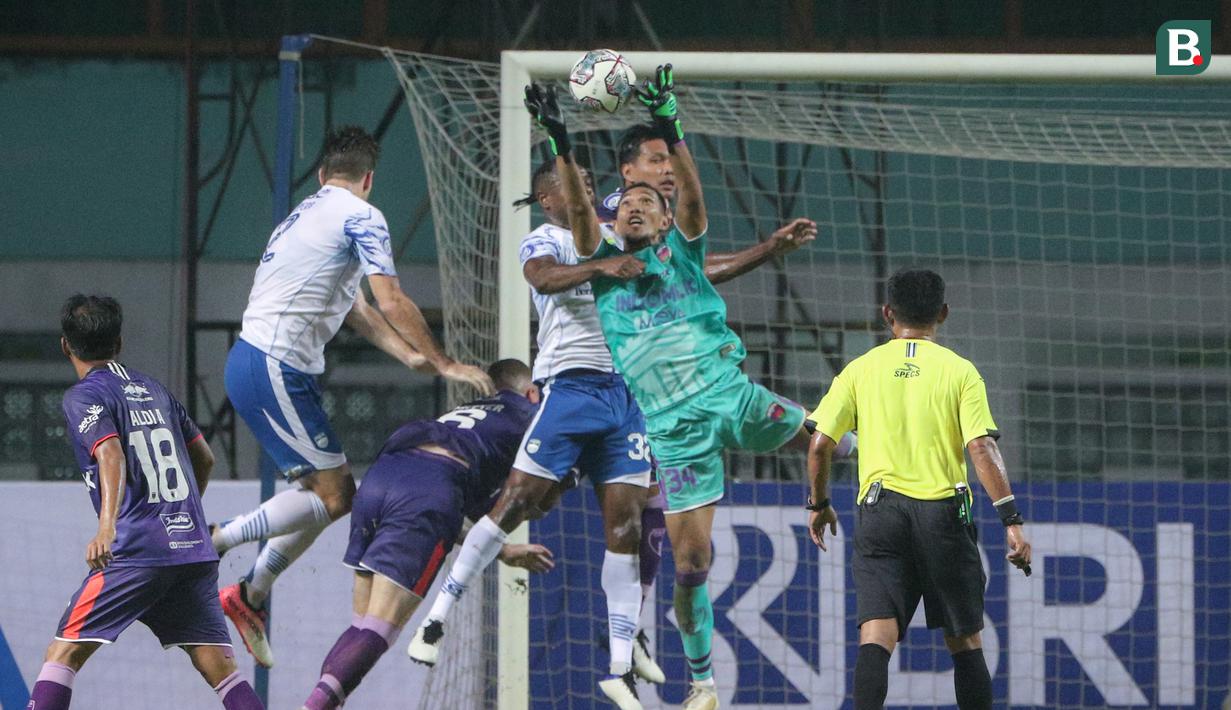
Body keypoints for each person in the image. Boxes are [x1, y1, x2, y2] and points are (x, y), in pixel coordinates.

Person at [522, 67, 833, 710]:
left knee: (826, 436)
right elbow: (580, 211)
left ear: (666, 222)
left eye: (648, 202)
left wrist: (671, 123)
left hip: (728, 395)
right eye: (627, 202)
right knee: (691, 566)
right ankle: (703, 684)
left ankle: (878, 455)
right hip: (672, 429)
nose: (634, 206)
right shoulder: (605, 266)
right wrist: (559, 136)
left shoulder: (684, 252)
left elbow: (691, 197)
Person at [212, 126, 493, 668]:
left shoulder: (303, 215)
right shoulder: (362, 215)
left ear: (322, 174)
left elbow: (357, 307)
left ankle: (250, 594)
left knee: (327, 496)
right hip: (273, 366)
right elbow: (391, 298)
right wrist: (443, 362)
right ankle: (217, 542)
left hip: (262, 365)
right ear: (369, 179)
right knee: (337, 497)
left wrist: (405, 353)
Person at [805, 269, 1032, 710]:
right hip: (943, 516)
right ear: (943, 313)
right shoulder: (960, 371)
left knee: (876, 635)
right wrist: (1012, 521)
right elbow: (981, 447)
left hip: (881, 514)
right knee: (965, 640)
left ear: (887, 313)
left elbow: (818, 446)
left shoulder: (860, 370)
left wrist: (819, 503)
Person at [29, 295, 263, 710]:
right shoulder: (155, 389)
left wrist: (107, 528)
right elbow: (205, 458)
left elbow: (110, 453)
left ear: (66, 346)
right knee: (220, 668)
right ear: (119, 343)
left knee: (63, 653)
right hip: (191, 550)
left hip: (136, 551)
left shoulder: (84, 396)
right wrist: (178, 517)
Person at [300, 359, 553, 710]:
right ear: (531, 393)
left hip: (380, 477)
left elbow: (455, 515)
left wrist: (504, 551)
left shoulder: (466, 413)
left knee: (362, 627)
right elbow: (524, 498)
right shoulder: (532, 416)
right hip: (432, 485)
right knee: (380, 630)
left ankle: (322, 702)